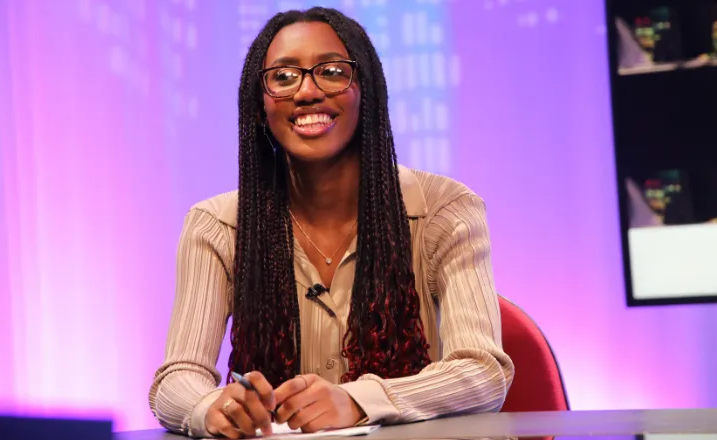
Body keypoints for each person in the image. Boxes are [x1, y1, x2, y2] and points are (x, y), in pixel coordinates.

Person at [148, 7, 513, 439]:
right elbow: (176, 379)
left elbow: (482, 372)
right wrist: (213, 407)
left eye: (333, 71)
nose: (307, 91)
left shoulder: (446, 212)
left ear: (366, 89)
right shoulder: (215, 227)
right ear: (260, 104)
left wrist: (359, 401)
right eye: (283, 77)